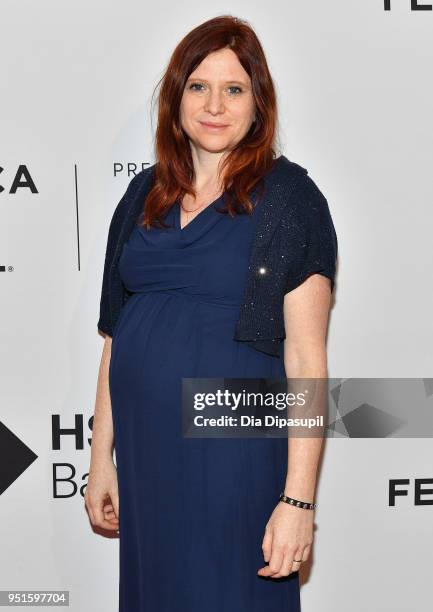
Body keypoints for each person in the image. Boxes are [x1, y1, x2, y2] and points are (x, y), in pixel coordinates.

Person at [85, 14, 338, 612]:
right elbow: (117, 337)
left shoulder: (289, 197)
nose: (214, 105)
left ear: (258, 102)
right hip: (148, 457)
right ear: (176, 100)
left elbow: (306, 358)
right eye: (198, 86)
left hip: (233, 441)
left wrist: (298, 502)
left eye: (234, 88)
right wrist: (102, 458)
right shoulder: (141, 195)